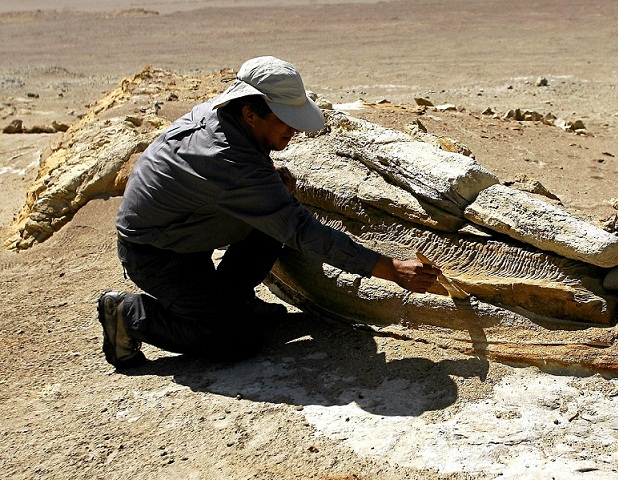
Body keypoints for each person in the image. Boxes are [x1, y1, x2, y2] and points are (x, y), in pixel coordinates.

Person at [98, 56, 441, 369]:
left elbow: (232, 187)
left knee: (276, 214)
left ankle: (232, 301)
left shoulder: (224, 117)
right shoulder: (227, 157)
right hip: (156, 255)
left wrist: (268, 188)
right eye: (286, 120)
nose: (293, 130)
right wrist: (391, 269)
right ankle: (128, 315)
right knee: (236, 338)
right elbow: (305, 232)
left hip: (185, 232)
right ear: (250, 112)